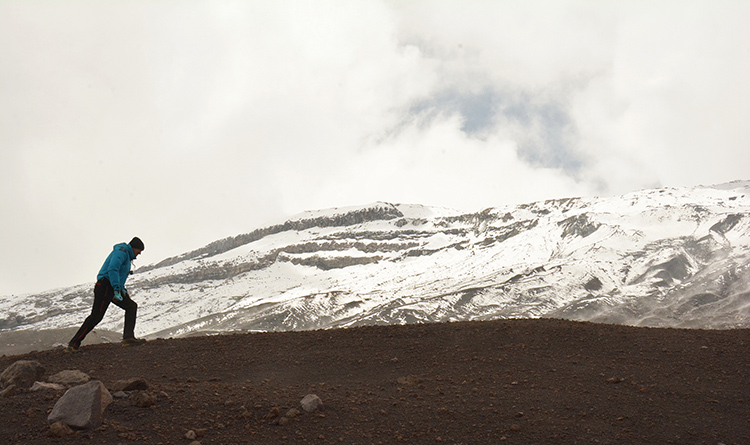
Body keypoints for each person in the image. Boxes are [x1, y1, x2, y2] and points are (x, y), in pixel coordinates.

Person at [66, 237, 147, 352]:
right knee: (96, 316)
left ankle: (128, 338)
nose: (139, 253)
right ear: (134, 247)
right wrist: (116, 288)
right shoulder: (121, 252)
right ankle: (73, 344)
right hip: (105, 286)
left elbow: (119, 274)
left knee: (131, 306)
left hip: (113, 288)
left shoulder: (127, 257)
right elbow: (113, 269)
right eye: (139, 250)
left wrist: (121, 288)